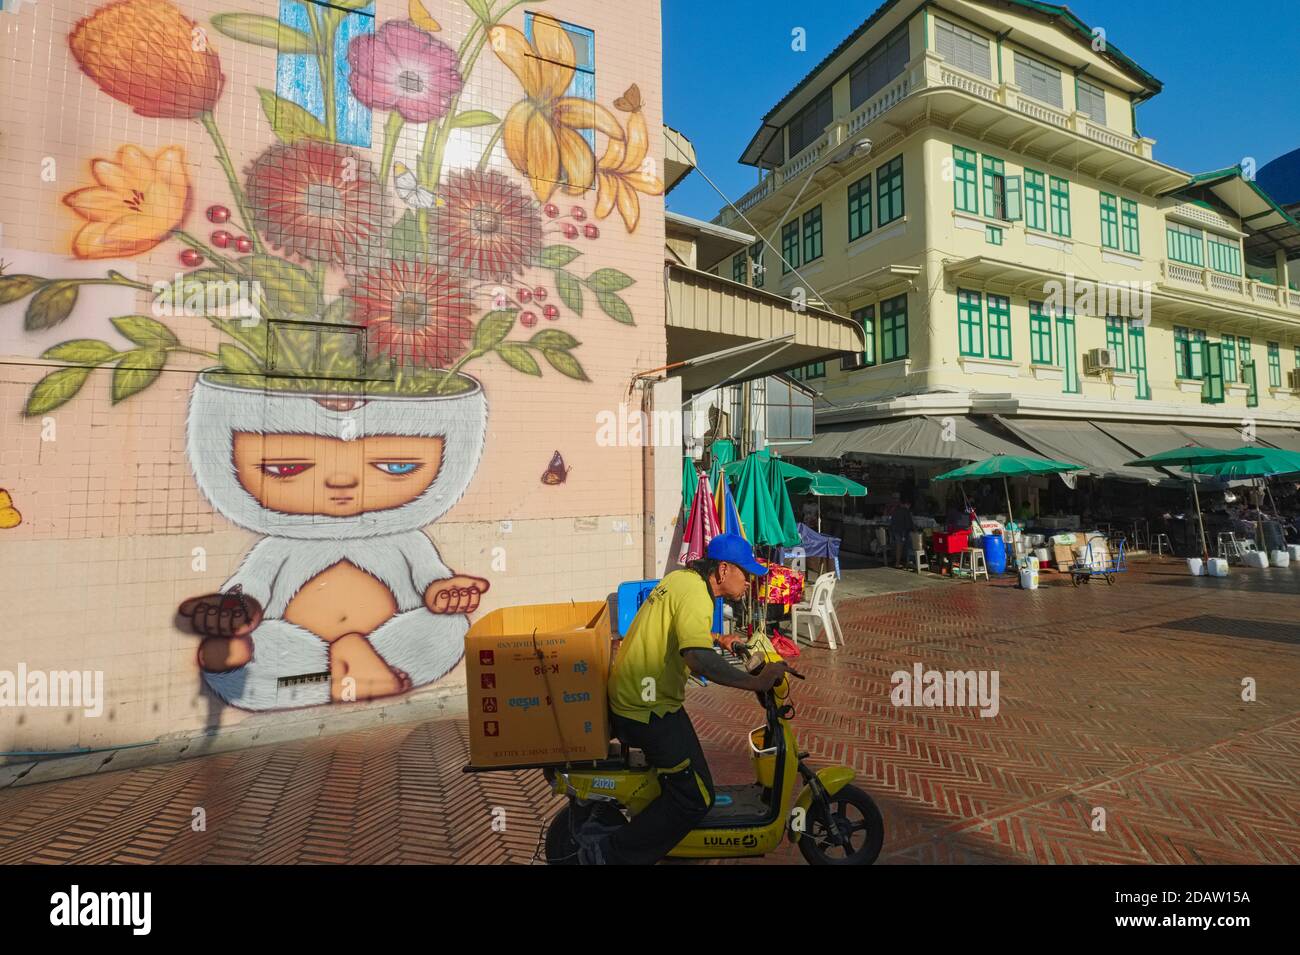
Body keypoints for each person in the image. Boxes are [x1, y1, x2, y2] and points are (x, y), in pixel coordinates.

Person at [581, 533, 789, 865]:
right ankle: (607, 854)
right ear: (723, 571)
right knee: (696, 796)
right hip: (647, 710)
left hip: (638, 699)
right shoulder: (698, 596)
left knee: (689, 780)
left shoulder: (681, 579)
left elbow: (678, 627)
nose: (750, 582)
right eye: (745, 573)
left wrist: (719, 638)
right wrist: (755, 682)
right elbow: (697, 659)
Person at [890, 497, 914, 568]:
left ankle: (899, 562)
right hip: (902, 532)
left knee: (898, 547)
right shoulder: (906, 511)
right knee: (903, 547)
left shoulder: (896, 510)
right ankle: (899, 563)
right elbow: (909, 524)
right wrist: (913, 529)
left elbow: (892, 521)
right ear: (907, 504)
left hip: (895, 531)